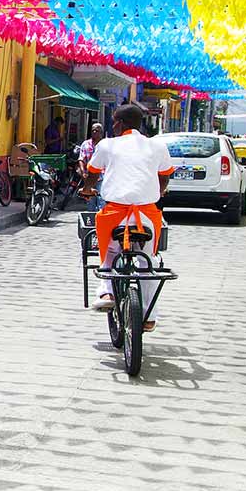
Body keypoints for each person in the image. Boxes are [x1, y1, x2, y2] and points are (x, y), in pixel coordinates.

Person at [81, 103, 173, 332]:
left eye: (114, 121)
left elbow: (92, 174)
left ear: (119, 124)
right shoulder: (157, 145)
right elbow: (165, 176)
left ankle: (106, 291)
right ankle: (149, 316)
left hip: (115, 213)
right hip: (147, 215)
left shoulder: (107, 145)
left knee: (110, 253)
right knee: (147, 262)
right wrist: (159, 192)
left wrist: (86, 190)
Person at [77, 123, 105, 211]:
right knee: (90, 199)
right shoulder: (85, 144)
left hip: (102, 176)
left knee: (101, 199)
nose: (94, 132)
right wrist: (83, 171)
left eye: (96, 131)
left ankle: (100, 220)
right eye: (92, 130)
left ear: (101, 133)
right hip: (89, 177)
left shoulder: (105, 144)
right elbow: (81, 159)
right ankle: (91, 219)